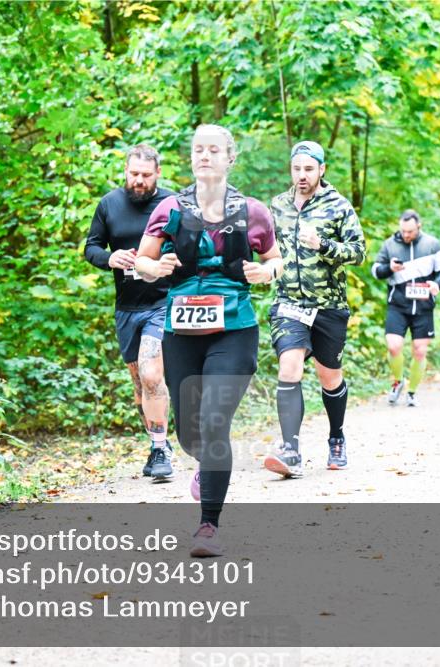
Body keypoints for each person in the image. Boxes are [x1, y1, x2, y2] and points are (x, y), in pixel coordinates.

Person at [134, 124, 282, 557]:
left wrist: (266, 272)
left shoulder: (252, 211)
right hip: (182, 330)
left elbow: (275, 261)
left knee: (216, 421)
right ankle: (205, 464)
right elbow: (143, 260)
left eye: (214, 150)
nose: (204, 156)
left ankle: (208, 527)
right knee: (190, 434)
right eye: (198, 149)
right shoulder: (170, 207)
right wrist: (152, 267)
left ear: (229, 157)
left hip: (234, 327)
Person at [263, 141, 366, 479]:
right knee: (289, 366)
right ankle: (290, 449)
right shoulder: (277, 206)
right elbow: (263, 248)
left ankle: (336, 437)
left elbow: (358, 252)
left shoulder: (338, 206)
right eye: (297, 169)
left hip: (329, 307)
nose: (302, 175)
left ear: (321, 169)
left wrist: (323, 245)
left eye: (309, 169)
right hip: (289, 303)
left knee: (329, 376)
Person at [84, 144, 175, 481]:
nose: (138, 181)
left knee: (152, 375)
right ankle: (159, 441)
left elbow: (193, 246)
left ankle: (159, 450)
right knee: (140, 386)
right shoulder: (109, 204)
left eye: (145, 175)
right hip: (127, 308)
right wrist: (109, 258)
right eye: (133, 174)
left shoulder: (171, 204)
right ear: (126, 171)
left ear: (158, 174)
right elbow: (91, 247)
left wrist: (170, 263)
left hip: (162, 303)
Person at [372, 209, 440, 407]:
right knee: (393, 345)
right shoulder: (390, 245)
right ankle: (398, 381)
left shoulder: (432, 244)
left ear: (419, 227)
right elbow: (376, 271)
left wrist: (437, 284)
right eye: (403, 231)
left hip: (424, 306)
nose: (406, 235)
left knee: (419, 351)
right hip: (398, 304)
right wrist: (389, 268)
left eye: (410, 231)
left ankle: (412, 391)